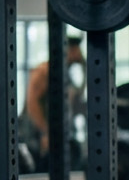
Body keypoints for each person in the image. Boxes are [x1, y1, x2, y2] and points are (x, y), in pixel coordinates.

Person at [21, 35, 86, 166]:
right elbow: (32, 104)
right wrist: (45, 131)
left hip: (56, 131)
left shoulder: (65, 72)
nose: (79, 53)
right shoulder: (44, 71)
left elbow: (78, 95)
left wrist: (84, 67)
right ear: (67, 50)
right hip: (37, 134)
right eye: (75, 50)